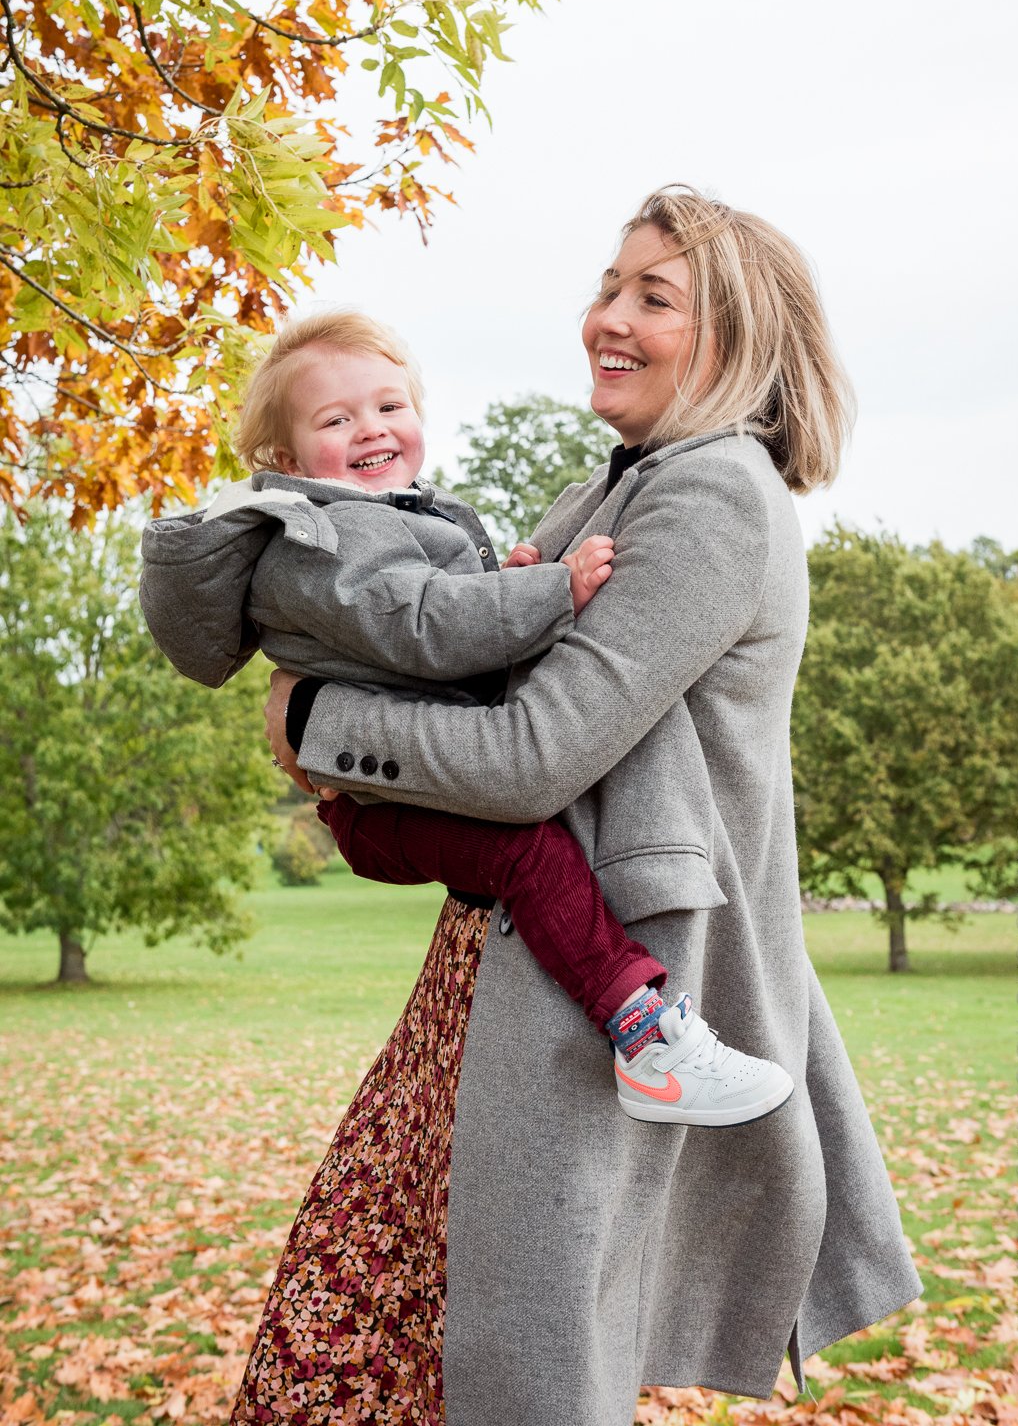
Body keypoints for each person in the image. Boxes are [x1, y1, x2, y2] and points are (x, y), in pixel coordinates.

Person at [241, 187, 923, 1426]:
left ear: (735, 340)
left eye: (651, 296)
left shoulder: (712, 495)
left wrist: (318, 726)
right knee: (359, 1349)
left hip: (593, 996)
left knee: (472, 1373)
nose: (605, 316)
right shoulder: (624, 485)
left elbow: (531, 757)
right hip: (500, 974)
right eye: (609, 286)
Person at [140, 309, 794, 1127]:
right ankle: (645, 1035)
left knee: (528, 859)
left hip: (411, 792)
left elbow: (444, 616)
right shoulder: (318, 542)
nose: (371, 430)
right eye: (337, 420)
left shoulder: (394, 517)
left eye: (388, 406)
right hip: (386, 809)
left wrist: (509, 580)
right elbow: (424, 626)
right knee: (529, 856)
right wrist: (551, 591)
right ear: (286, 460)